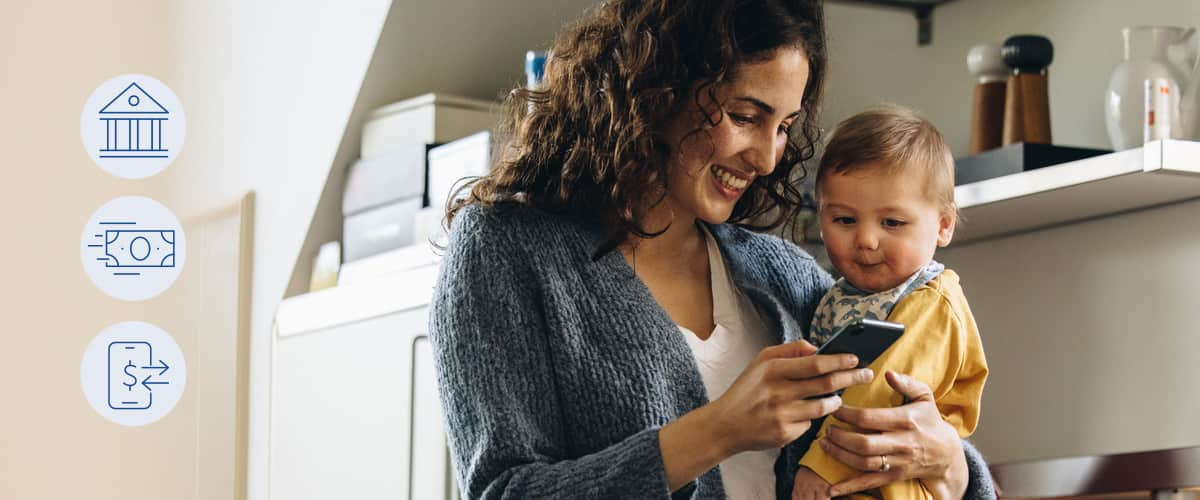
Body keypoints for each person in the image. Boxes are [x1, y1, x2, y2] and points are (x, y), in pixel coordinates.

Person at [429, 1, 997, 498]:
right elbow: (504, 491)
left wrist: (948, 463)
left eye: (783, 126)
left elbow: (926, 466)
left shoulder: (789, 277)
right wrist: (720, 428)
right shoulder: (506, 250)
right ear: (656, 91)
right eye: (747, 116)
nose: (770, 158)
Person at [790, 106, 989, 500]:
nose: (865, 240)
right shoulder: (840, 295)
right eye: (845, 220)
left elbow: (882, 388)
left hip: (898, 483)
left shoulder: (932, 301)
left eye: (892, 223)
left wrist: (819, 466)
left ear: (944, 225)